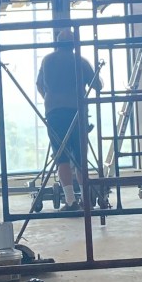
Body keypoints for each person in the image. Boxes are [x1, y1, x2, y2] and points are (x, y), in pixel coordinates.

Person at [36, 30, 100, 212]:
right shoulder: (80, 61)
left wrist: (50, 100)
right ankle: (86, 200)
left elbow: (39, 84)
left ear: (57, 43)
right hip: (76, 111)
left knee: (61, 156)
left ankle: (70, 201)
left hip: (54, 112)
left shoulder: (47, 60)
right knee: (80, 158)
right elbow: (97, 85)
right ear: (74, 44)